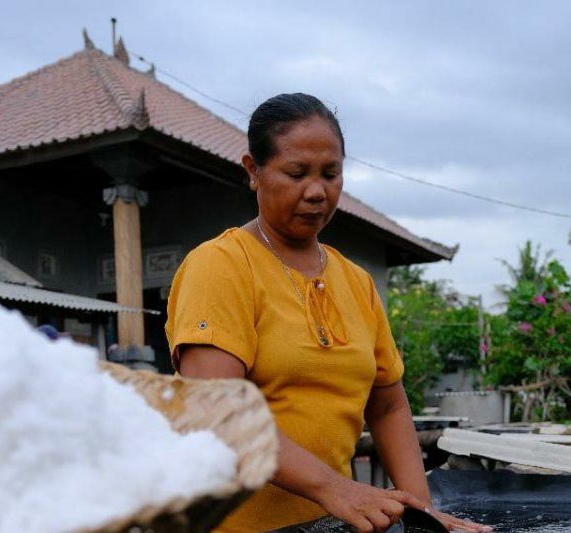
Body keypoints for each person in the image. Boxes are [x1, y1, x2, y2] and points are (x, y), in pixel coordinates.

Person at [165, 93, 490, 533]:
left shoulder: (356, 283)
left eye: (331, 174)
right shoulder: (221, 266)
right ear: (253, 172)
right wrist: (334, 488)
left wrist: (422, 513)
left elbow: (388, 402)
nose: (317, 192)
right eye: (296, 173)